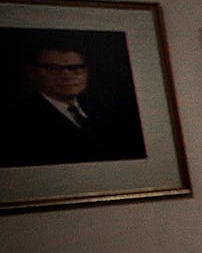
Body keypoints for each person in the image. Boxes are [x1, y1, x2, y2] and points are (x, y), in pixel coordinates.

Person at [3, 41, 146, 167]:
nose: (66, 75)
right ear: (32, 73)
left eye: (76, 68)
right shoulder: (17, 121)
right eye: (53, 68)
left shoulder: (105, 111)